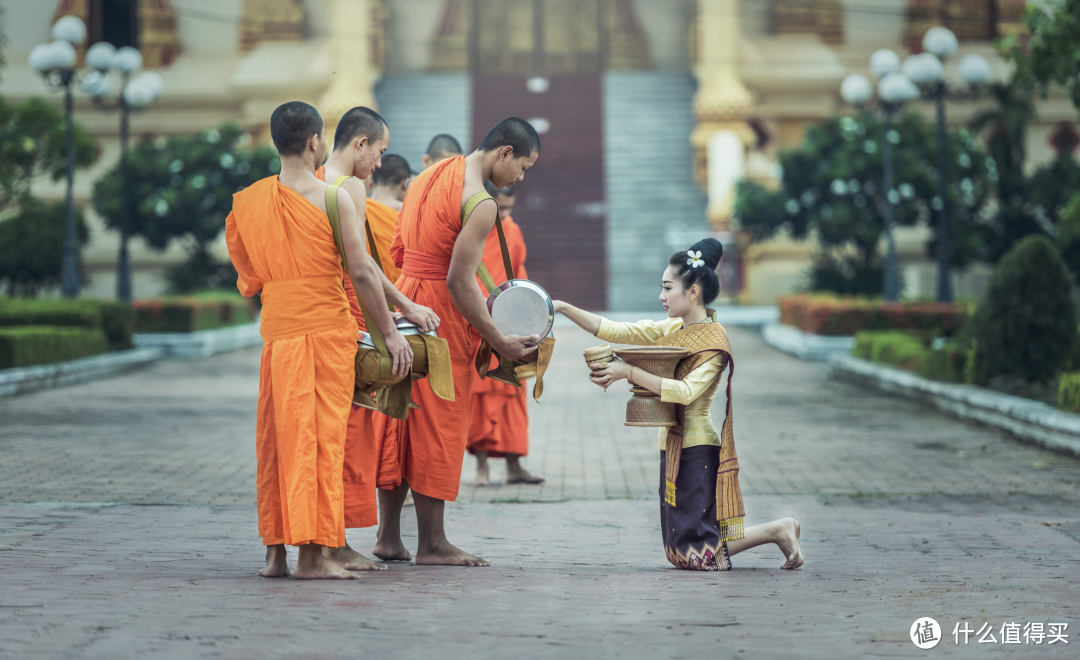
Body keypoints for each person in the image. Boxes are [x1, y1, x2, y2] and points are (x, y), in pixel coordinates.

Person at [225, 101, 413, 579]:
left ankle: (276, 553)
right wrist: (389, 333)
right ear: (315, 142)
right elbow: (364, 273)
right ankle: (312, 555)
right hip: (327, 333)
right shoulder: (335, 198)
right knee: (321, 443)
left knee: (277, 441)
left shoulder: (246, 202)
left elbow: (248, 279)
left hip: (278, 335)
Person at [554, 238, 804, 572]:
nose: (661, 296)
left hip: (697, 448)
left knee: (695, 552)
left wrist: (628, 371)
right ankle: (777, 529)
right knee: (680, 550)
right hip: (673, 444)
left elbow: (685, 392)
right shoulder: (673, 327)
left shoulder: (714, 343)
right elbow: (616, 329)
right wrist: (561, 307)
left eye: (667, 287)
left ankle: (776, 529)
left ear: (693, 292)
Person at [374, 118, 542, 566]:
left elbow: (396, 250)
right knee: (437, 425)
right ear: (504, 152)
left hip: (406, 301)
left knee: (401, 419)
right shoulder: (481, 202)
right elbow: (459, 282)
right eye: (523, 167)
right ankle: (432, 543)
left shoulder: (430, 173)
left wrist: (407, 296)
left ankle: (388, 537)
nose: (520, 178)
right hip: (440, 316)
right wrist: (499, 341)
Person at [315, 108, 439, 571]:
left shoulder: (310, 182)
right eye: (380, 151)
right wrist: (398, 320)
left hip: (323, 316)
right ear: (360, 144)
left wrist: (395, 308)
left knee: (330, 433)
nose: (381, 164)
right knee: (349, 433)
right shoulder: (348, 187)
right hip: (347, 320)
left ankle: (327, 537)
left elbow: (358, 264)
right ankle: (335, 540)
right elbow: (362, 267)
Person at [467, 182, 544, 487]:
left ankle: (514, 466)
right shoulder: (471, 230)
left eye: (511, 208)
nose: (506, 215)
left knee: (513, 393)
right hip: (479, 322)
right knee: (481, 395)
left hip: (510, 321)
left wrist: (527, 313)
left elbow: (519, 272)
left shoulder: (512, 230)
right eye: (501, 209)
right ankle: (482, 469)